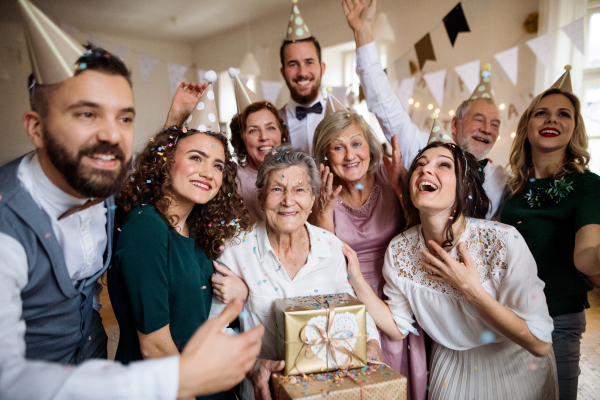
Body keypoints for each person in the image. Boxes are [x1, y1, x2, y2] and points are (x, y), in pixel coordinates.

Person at [0, 2, 263, 398]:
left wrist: (176, 119)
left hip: (95, 357)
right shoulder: (8, 226)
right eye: (86, 115)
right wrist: (179, 381)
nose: (111, 135)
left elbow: (144, 182)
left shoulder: (107, 194)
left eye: (124, 118)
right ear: (36, 128)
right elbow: (8, 378)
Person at [344, 119, 558, 399]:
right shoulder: (399, 251)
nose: (426, 169)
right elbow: (397, 327)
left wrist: (472, 291)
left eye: (443, 164)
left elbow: (540, 344)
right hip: (452, 370)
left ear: (463, 185)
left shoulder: (504, 241)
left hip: (517, 366)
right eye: (420, 164)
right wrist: (356, 280)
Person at [209, 147, 382, 400]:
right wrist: (251, 367)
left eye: (299, 189)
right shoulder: (237, 249)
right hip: (263, 391)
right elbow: (214, 328)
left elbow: (350, 306)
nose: (288, 200)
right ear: (261, 198)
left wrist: (373, 342)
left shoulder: (330, 247)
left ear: (313, 198)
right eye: (277, 189)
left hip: (326, 390)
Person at [107, 125, 250, 400]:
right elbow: (155, 347)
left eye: (218, 165)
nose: (208, 173)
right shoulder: (146, 227)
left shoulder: (198, 231)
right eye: (196, 158)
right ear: (166, 162)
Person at [342, 0, 509, 218]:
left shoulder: (501, 179)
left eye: (495, 124)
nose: (487, 129)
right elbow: (383, 102)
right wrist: (363, 32)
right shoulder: (421, 148)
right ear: (455, 124)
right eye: (479, 119)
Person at [311, 108, 427, 399]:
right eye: (338, 147)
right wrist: (324, 212)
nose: (350, 155)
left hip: (397, 299)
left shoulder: (392, 179)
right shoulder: (321, 194)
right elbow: (327, 264)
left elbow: (418, 238)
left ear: (369, 145)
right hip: (349, 301)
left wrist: (402, 190)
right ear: (326, 156)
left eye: (356, 143)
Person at [500, 67, 600, 400]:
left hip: (557, 318)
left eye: (563, 114)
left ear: (574, 128)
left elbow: (587, 254)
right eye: (541, 113)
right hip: (508, 317)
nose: (551, 120)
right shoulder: (511, 187)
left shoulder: (587, 186)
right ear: (527, 127)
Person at [277, 0, 327, 154]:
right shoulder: (273, 124)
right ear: (283, 72)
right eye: (293, 64)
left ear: (322, 68)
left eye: (309, 62)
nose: (302, 72)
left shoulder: (344, 115)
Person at [230, 101, 290, 224]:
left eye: (270, 128)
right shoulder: (232, 181)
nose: (263, 137)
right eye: (253, 130)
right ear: (242, 139)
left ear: (281, 133)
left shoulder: (298, 175)